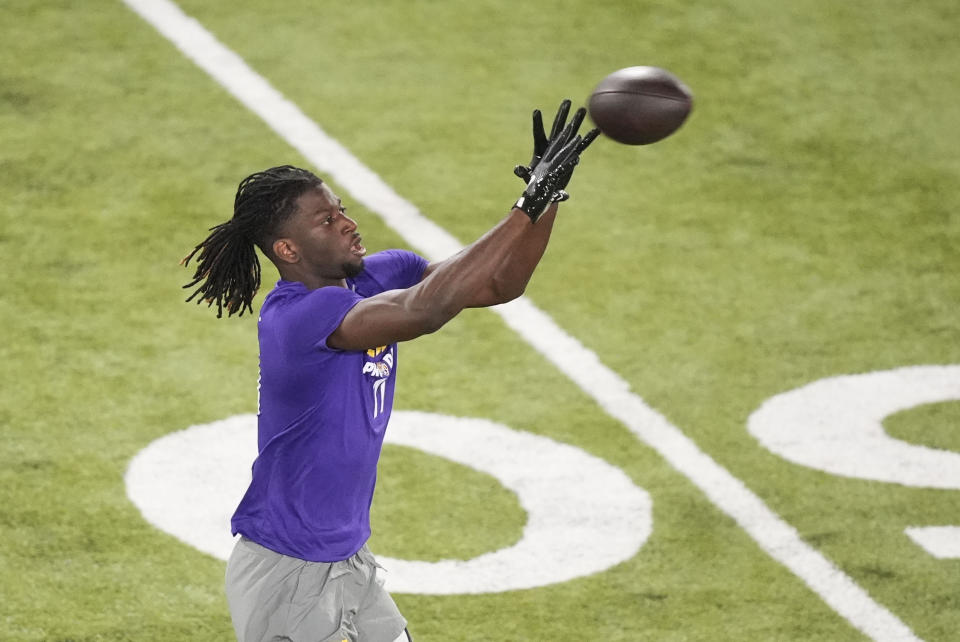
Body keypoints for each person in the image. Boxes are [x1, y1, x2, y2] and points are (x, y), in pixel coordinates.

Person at [181, 101, 598, 642]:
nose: (349, 224)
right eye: (327, 221)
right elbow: (421, 312)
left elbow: (498, 284)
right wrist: (524, 205)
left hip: (348, 559)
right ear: (287, 249)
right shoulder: (296, 318)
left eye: (342, 209)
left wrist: (546, 204)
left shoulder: (378, 276)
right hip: (288, 572)